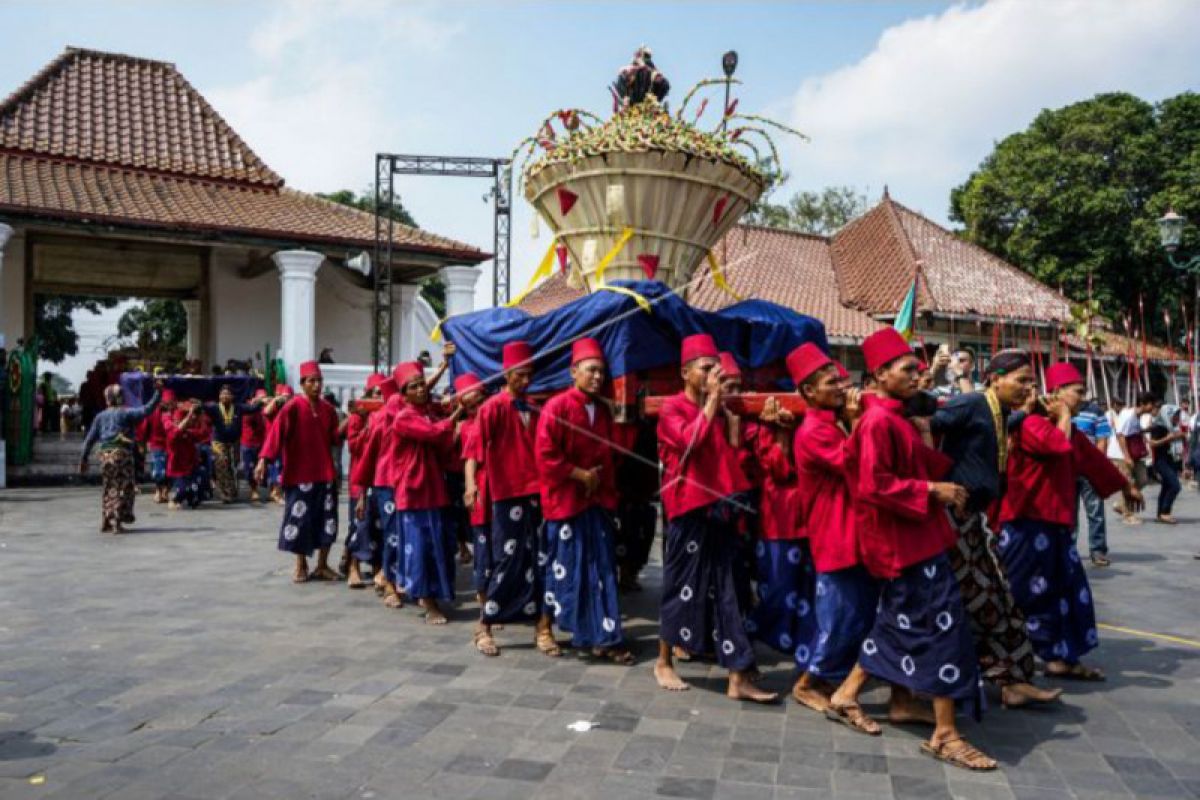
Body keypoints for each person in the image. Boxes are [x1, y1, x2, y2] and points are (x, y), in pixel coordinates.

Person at [834, 328, 993, 771]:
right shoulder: (878, 421)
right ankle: (945, 735)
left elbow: (912, 465)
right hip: (904, 542)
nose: (916, 375)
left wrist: (928, 451)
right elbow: (872, 485)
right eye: (907, 369)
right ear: (880, 374)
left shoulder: (892, 418)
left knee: (899, 621)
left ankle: (847, 694)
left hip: (911, 538)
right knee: (942, 625)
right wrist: (931, 490)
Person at [932, 349, 1062, 708]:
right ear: (995, 378)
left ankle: (1011, 682)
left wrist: (1040, 410)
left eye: (1031, 382)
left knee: (1001, 599)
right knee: (975, 601)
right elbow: (928, 423)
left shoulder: (1001, 413)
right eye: (1021, 381)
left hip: (976, 521)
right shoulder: (972, 403)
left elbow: (1015, 423)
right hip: (952, 520)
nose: (1027, 388)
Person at [998, 363, 1143, 682]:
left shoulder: (1067, 427)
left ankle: (1060, 657)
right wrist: (1063, 417)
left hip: (1055, 524)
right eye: (1077, 391)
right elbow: (1056, 445)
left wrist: (1126, 485)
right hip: (1025, 522)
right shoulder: (1031, 423)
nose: (1083, 397)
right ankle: (996, 662)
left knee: (1066, 590)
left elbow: (1092, 461)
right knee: (1019, 593)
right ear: (1057, 394)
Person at [653, 333, 776, 702]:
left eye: (715, 369)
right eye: (706, 369)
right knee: (679, 583)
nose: (713, 376)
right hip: (687, 507)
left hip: (719, 506)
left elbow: (728, 461)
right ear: (685, 372)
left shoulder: (720, 410)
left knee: (728, 589)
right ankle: (663, 662)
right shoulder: (672, 408)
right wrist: (712, 404)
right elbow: (691, 442)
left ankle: (738, 675)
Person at [789, 344, 875, 717]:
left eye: (841, 379)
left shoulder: (830, 423)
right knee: (839, 613)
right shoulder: (813, 430)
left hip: (850, 528)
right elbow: (855, 464)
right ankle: (808, 682)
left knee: (855, 611)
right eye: (831, 382)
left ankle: (828, 677)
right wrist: (857, 423)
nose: (842, 386)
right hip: (834, 531)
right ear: (809, 392)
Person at [536, 338, 632, 663]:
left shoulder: (603, 411)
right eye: (591, 370)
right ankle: (546, 627)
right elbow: (546, 456)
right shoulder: (556, 408)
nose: (597, 378)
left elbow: (616, 452)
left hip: (596, 504)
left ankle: (603, 636)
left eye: (602, 372)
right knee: (564, 569)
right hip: (566, 504)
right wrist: (579, 475)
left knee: (601, 571)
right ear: (573, 371)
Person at [466, 340, 560, 657]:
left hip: (536, 491)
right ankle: (484, 625)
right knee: (506, 560)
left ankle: (542, 628)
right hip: (506, 492)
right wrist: (470, 485)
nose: (525, 380)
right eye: (520, 374)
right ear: (507, 373)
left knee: (539, 560)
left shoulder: (534, 406)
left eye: (529, 374)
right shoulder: (492, 407)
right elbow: (474, 451)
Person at [255, 361, 342, 584]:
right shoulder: (292, 407)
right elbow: (276, 433)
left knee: (327, 521)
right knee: (299, 521)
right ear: (302, 384)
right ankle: (301, 564)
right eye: (311, 381)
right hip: (300, 473)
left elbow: (334, 438)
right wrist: (264, 459)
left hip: (325, 473)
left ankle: (322, 564)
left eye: (319, 381)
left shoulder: (329, 410)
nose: (316, 385)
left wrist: (350, 423)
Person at [391, 361, 464, 625]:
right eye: (414, 386)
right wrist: (456, 415)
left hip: (434, 487)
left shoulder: (428, 414)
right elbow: (434, 434)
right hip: (413, 491)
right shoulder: (404, 418)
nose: (421, 389)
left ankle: (434, 594)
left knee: (438, 544)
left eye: (422, 384)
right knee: (420, 547)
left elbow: (442, 441)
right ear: (404, 393)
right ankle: (427, 600)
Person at [351, 371, 406, 607]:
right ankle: (389, 584)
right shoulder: (379, 420)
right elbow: (368, 456)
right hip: (385, 483)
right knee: (391, 535)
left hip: (410, 485)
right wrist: (362, 493)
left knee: (405, 535)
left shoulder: (415, 416)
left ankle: (395, 577)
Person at [80, 382, 161, 533]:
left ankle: (105, 520)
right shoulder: (126, 413)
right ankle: (117, 522)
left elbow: (89, 439)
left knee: (108, 486)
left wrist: (83, 459)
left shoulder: (100, 416)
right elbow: (147, 410)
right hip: (122, 455)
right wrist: (158, 394)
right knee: (123, 487)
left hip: (105, 456)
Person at [343, 374, 385, 589]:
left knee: (379, 525)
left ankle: (379, 567)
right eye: (375, 393)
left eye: (382, 393)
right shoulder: (358, 418)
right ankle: (354, 566)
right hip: (361, 478)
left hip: (381, 477)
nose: (379, 397)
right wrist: (370, 427)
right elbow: (353, 446)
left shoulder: (386, 415)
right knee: (360, 524)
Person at [203, 385, 265, 503]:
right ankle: (225, 493)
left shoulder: (238, 408)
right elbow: (204, 407)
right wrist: (197, 404)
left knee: (232, 466)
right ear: (219, 397)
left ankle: (232, 490)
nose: (225, 396)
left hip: (234, 442)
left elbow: (252, 409)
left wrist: (261, 401)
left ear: (232, 396)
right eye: (222, 394)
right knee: (222, 463)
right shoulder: (215, 408)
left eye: (227, 394)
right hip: (218, 442)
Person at [1074, 397, 1113, 565]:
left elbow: (1102, 439)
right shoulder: (1057, 408)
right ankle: (1069, 549)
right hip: (1065, 469)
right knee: (1068, 512)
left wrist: (1097, 465)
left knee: (1095, 511)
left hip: (1089, 468)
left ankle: (1097, 550)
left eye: (1080, 390)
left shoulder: (1095, 411)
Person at [1112, 392, 1155, 524]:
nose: (1152, 407)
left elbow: (1133, 432)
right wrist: (1126, 457)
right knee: (1129, 483)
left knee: (1142, 480)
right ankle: (1127, 514)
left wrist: (1146, 430)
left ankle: (1121, 504)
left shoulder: (1137, 416)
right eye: (1151, 404)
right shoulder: (1128, 415)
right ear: (1142, 404)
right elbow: (1120, 435)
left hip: (1135, 454)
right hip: (1122, 454)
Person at [1149, 403, 1184, 525]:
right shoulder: (1159, 427)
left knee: (1166, 487)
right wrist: (1167, 439)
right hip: (1161, 461)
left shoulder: (1171, 427)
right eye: (1175, 416)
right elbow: (1152, 443)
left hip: (1170, 460)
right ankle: (1165, 512)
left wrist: (1177, 436)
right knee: (1175, 486)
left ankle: (1161, 514)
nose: (1177, 419)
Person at [139, 388, 175, 504]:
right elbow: (144, 428)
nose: (168, 405)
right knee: (158, 471)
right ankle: (159, 490)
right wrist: (142, 444)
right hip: (157, 444)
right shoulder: (153, 412)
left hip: (173, 445)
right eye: (166, 402)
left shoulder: (176, 412)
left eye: (170, 402)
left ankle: (166, 490)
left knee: (171, 470)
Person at [166, 400, 203, 510]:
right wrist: (189, 413)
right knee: (183, 490)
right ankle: (174, 499)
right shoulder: (172, 432)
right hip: (178, 469)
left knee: (196, 492)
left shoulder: (191, 432)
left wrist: (196, 413)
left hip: (191, 467)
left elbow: (203, 433)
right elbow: (177, 431)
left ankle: (189, 497)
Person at [241, 389, 270, 503]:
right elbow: (248, 419)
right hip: (248, 442)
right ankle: (253, 490)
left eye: (264, 398)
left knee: (264, 468)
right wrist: (255, 405)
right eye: (260, 398)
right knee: (249, 468)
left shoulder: (265, 408)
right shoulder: (248, 408)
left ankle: (269, 489)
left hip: (262, 442)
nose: (263, 401)